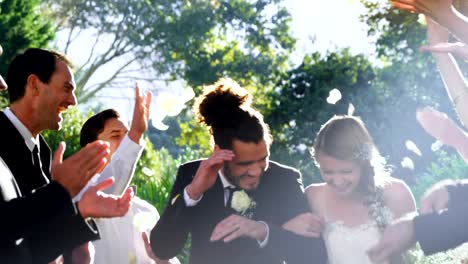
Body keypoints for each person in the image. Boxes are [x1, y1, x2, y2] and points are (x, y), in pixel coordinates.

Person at [149, 78, 327, 264]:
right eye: (245, 164)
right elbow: (162, 249)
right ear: (219, 152)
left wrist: (262, 230)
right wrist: (193, 193)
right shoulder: (191, 174)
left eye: (263, 159)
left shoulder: (284, 180)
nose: (256, 171)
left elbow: (314, 256)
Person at [0, 47, 134, 263]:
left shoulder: (43, 151)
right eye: (66, 88)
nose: (73, 101)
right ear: (34, 85)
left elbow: (31, 244)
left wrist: (80, 213)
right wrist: (60, 191)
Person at [283, 115, 416, 264]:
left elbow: (412, 255)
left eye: (346, 171)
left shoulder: (397, 193)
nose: (338, 181)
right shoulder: (314, 196)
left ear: (363, 163)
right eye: (328, 172)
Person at [69, 87, 178, 264]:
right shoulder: (79, 199)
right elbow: (110, 188)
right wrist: (135, 135)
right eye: (115, 135)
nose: (126, 142)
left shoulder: (147, 211)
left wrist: (161, 260)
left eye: (127, 136)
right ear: (91, 149)